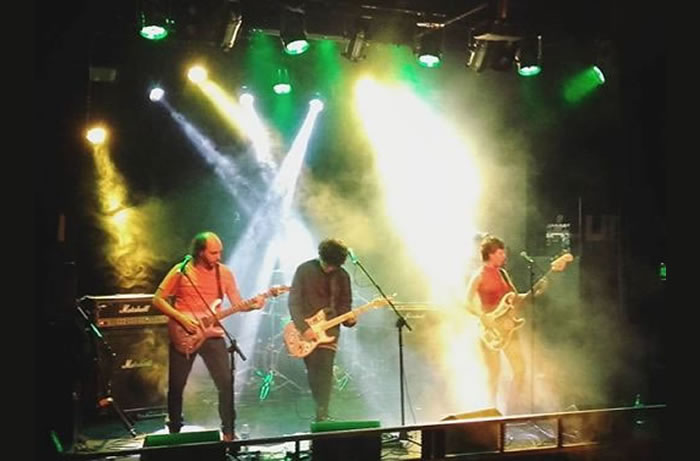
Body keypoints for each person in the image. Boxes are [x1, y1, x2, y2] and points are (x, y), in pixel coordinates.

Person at [153, 231, 266, 441]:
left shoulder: (224, 273)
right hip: (184, 332)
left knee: (225, 383)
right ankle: (174, 431)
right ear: (200, 252)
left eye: (220, 252)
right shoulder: (181, 270)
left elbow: (237, 303)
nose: (218, 257)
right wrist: (182, 318)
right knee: (177, 386)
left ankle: (229, 432)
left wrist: (254, 305)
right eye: (213, 253)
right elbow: (157, 299)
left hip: (213, 334)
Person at [465, 235, 545, 414]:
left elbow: (515, 299)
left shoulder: (503, 274)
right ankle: (490, 413)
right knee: (494, 373)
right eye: (500, 253)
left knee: (520, 369)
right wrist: (483, 316)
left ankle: (511, 410)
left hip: (508, 327)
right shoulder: (478, 276)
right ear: (490, 254)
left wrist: (535, 292)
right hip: (490, 330)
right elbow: (467, 302)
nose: (504, 256)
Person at [288, 238, 356, 422]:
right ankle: (320, 409)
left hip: (330, 331)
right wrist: (303, 328)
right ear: (320, 256)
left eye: (334, 266)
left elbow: (345, 305)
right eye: (327, 264)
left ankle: (322, 413)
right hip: (306, 329)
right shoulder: (304, 270)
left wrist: (349, 320)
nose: (330, 269)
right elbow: (294, 302)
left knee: (325, 371)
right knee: (314, 370)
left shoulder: (342, 276)